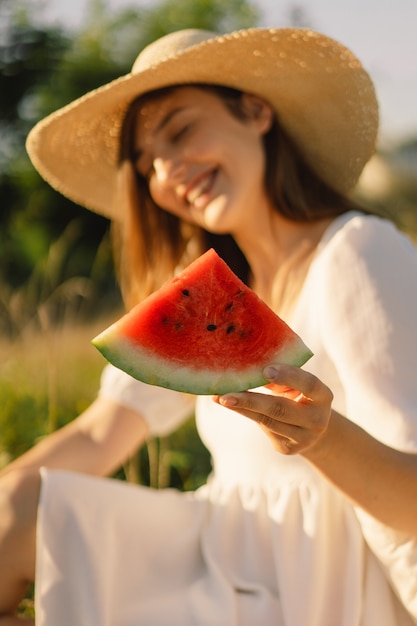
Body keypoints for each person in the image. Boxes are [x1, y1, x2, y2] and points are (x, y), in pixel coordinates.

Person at [1, 26, 417, 626]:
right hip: (222, 555)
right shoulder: (210, 292)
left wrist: (324, 439)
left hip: (311, 586)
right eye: (147, 164)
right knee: (20, 509)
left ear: (256, 111)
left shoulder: (358, 254)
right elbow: (97, 438)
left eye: (180, 130)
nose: (167, 170)